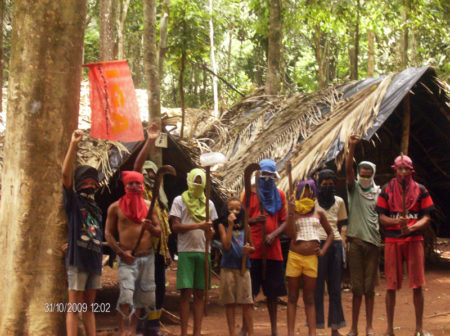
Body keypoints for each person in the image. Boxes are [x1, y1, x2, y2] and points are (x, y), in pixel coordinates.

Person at [375, 155, 434, 336]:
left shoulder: (421, 190)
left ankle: (419, 328)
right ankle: (389, 329)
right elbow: (381, 216)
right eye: (400, 169)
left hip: (414, 240)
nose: (403, 172)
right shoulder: (386, 190)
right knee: (391, 285)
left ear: (411, 171)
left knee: (417, 285)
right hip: (393, 241)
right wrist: (394, 222)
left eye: (406, 169)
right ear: (395, 170)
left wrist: (412, 226)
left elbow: (427, 216)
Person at [105, 171, 161, 336]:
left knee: (142, 298)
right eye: (131, 184)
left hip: (147, 257)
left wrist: (150, 227)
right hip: (127, 259)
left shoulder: (150, 206)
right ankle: (122, 331)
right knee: (126, 296)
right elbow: (108, 233)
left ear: (142, 185)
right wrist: (121, 253)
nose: (135, 186)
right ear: (125, 186)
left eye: (138, 183)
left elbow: (159, 232)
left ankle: (134, 331)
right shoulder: (115, 207)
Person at [62, 130, 103, 336]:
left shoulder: (97, 210)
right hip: (78, 261)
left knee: (90, 307)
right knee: (74, 306)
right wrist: (73, 144)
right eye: (86, 181)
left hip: (94, 260)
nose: (90, 185)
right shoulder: (74, 202)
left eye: (93, 182)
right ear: (79, 184)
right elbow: (65, 175)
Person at [242, 158, 288, 336]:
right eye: (264, 175)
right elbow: (242, 220)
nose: (267, 178)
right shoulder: (249, 194)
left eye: (270, 175)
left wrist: (274, 234)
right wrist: (254, 220)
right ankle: (246, 327)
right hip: (253, 249)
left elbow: (284, 222)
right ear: (258, 176)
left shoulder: (280, 195)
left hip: (273, 250)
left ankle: (274, 329)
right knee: (249, 293)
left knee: (273, 294)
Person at [170, 168, 218, 336]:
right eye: (195, 180)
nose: (197, 184)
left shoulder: (209, 204)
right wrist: (199, 225)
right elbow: (175, 227)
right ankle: (184, 332)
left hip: (204, 252)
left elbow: (211, 231)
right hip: (186, 252)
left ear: (204, 183)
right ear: (189, 180)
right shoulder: (179, 201)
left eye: (200, 181)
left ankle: (197, 332)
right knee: (185, 294)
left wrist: (210, 233)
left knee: (199, 294)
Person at [286, 180, 334, 336]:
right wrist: (291, 213)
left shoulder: (318, 213)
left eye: (309, 192)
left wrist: (324, 250)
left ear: (314, 193)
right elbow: (291, 235)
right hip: (295, 256)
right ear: (298, 193)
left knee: (309, 297)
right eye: (304, 192)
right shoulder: (294, 211)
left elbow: (331, 234)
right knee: (292, 296)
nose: (307, 194)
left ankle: (312, 332)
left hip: (311, 258)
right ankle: (291, 332)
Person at [345, 134, 381, 336]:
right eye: (362, 174)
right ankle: (354, 327)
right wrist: (352, 147)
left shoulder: (379, 192)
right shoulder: (354, 189)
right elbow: (349, 169)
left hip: (374, 243)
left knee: (369, 289)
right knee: (357, 289)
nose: (364, 177)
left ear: (373, 175)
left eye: (368, 174)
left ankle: (369, 327)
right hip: (356, 244)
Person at [314, 169, 347, 335]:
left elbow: (340, 225)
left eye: (331, 184)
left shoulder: (340, 201)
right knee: (317, 286)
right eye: (324, 184)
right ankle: (316, 326)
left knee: (335, 287)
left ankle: (335, 327)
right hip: (317, 245)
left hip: (335, 244)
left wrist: (341, 244)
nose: (328, 187)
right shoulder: (313, 202)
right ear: (319, 185)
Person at [216, 196, 255, 336]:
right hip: (228, 267)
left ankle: (251, 332)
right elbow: (226, 246)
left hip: (244, 268)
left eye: (238, 209)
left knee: (246, 302)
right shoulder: (222, 226)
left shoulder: (246, 227)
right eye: (231, 209)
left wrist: (248, 250)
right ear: (225, 210)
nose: (234, 212)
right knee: (230, 302)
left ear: (242, 211)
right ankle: (232, 332)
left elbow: (253, 248)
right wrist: (230, 225)